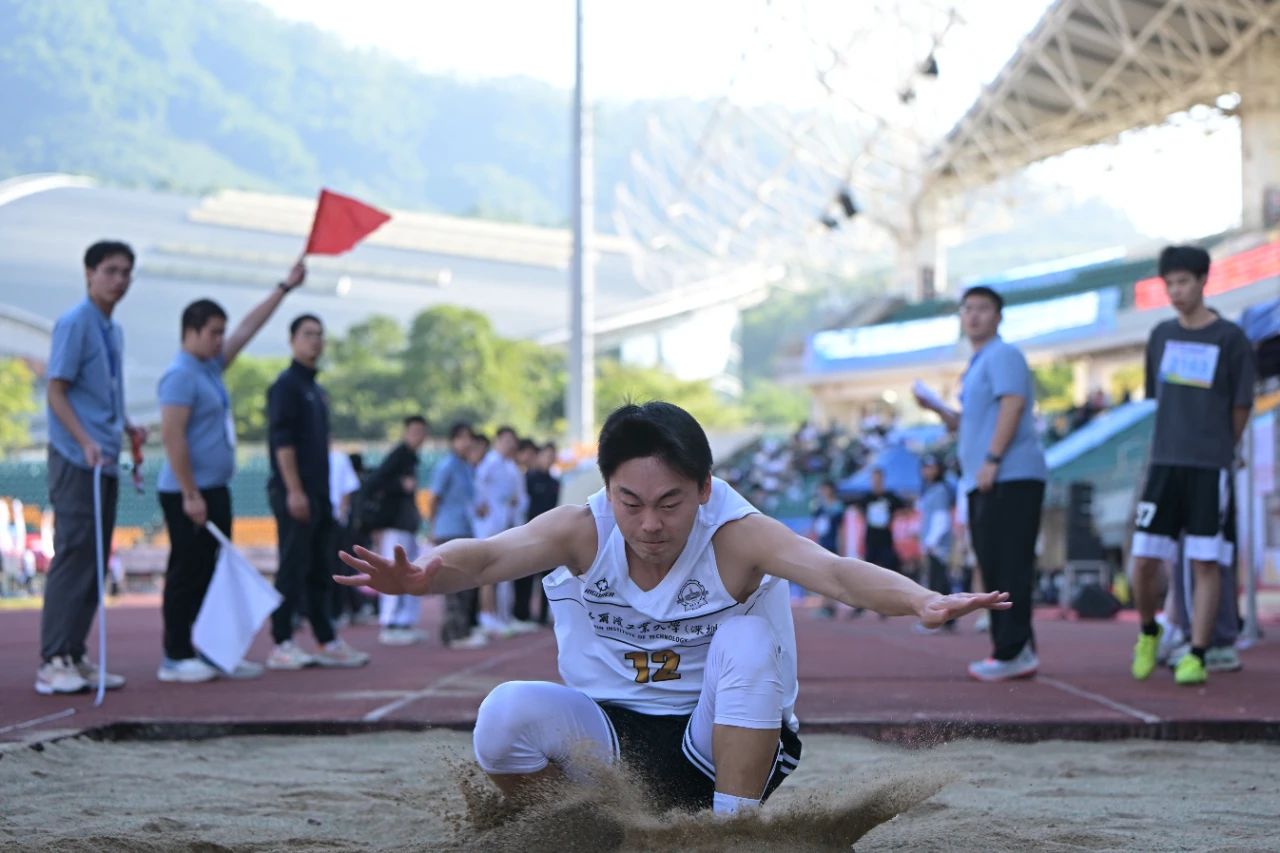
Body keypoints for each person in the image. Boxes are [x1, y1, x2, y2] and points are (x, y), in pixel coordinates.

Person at [337, 401, 1011, 817]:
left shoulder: (738, 535)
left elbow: (833, 572)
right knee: (501, 715)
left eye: (671, 503)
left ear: (704, 488)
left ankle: (731, 834)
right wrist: (427, 575)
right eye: (631, 502)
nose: (650, 524)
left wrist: (920, 598)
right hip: (611, 740)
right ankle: (588, 823)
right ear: (608, 489)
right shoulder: (580, 527)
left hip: (719, 739)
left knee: (746, 639)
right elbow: (485, 556)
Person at [155, 262, 305, 683]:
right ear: (192, 331)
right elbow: (173, 436)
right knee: (187, 571)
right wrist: (189, 493)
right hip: (189, 492)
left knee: (212, 571)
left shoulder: (209, 367)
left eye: (222, 332)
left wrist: (283, 288)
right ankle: (175, 654)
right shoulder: (179, 375)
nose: (223, 340)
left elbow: (247, 330)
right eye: (214, 333)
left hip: (214, 487)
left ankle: (213, 650)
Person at [1129, 246, 1254, 686]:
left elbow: (1241, 405)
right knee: (1143, 561)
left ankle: (1197, 654)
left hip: (1210, 466)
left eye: (1184, 282)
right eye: (1170, 284)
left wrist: (1222, 448)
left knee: (1205, 562)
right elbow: (1157, 400)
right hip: (1164, 462)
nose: (1177, 291)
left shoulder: (1231, 339)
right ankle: (1149, 631)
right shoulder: (1160, 335)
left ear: (1203, 281)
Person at [915, 285, 1047, 681]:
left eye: (983, 308)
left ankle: (1012, 650)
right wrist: (937, 408)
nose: (973, 316)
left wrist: (992, 459)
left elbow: (1013, 404)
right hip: (984, 478)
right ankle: (1017, 647)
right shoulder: (977, 365)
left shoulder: (1003, 354)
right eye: (967, 309)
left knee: (1008, 563)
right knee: (993, 563)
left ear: (998, 316)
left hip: (1009, 474)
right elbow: (966, 423)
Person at [37, 241, 145, 695]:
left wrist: (127, 425)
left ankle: (75, 653)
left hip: (104, 456)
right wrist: (83, 440)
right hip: (77, 457)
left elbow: (103, 394)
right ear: (88, 273)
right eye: (110, 270)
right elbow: (56, 390)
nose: (119, 280)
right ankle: (53, 658)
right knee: (76, 550)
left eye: (126, 272)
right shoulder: (76, 322)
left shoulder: (111, 330)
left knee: (96, 557)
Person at [264, 314, 368, 670]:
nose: (316, 341)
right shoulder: (286, 386)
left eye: (320, 335)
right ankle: (281, 641)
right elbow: (283, 442)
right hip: (295, 493)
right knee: (291, 568)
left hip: (320, 494)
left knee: (320, 569)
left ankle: (326, 640)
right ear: (292, 340)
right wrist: (295, 491)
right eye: (308, 334)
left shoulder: (316, 391)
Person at [366, 415, 429, 646]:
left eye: (422, 432)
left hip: (407, 524)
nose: (418, 436)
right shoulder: (398, 455)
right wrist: (399, 486)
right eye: (414, 431)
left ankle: (405, 622)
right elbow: (374, 481)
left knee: (412, 571)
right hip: (395, 525)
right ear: (405, 432)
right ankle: (390, 623)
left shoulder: (411, 457)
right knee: (394, 571)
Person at [473, 426, 532, 636]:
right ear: (498, 441)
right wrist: (479, 506)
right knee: (487, 574)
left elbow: (521, 497)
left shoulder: (512, 467)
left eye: (512, 441)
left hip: (507, 525)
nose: (510, 445)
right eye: (506, 440)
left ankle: (504, 615)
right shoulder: (488, 463)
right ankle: (487, 616)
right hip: (488, 525)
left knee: (505, 573)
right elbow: (477, 488)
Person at [431, 422, 486, 649]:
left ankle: (457, 630)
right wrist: (433, 528)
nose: (466, 443)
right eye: (461, 438)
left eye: (469, 438)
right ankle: (454, 634)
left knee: (464, 584)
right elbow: (434, 497)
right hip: (448, 530)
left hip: (465, 530)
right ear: (452, 441)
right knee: (454, 584)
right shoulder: (446, 466)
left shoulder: (467, 467)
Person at [513, 441, 561, 625]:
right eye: (546, 455)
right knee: (525, 576)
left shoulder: (555, 482)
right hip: (528, 533)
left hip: (550, 536)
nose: (549, 459)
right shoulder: (527, 479)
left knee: (548, 577)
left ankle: (543, 616)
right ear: (539, 456)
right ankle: (521, 614)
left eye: (552, 456)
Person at [917, 455, 956, 634]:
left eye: (931, 467)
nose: (928, 471)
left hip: (937, 544)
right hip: (932, 542)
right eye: (925, 467)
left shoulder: (939, 490)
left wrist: (931, 541)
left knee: (936, 582)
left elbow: (942, 519)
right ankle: (949, 619)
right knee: (941, 580)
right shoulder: (931, 489)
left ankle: (937, 620)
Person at [809, 479, 845, 619]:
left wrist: (842, 545)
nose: (822, 492)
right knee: (823, 576)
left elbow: (841, 528)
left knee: (831, 576)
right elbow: (815, 526)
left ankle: (830, 605)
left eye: (825, 488)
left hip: (832, 544)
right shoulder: (820, 507)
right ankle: (826, 605)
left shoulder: (837, 507)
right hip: (822, 544)